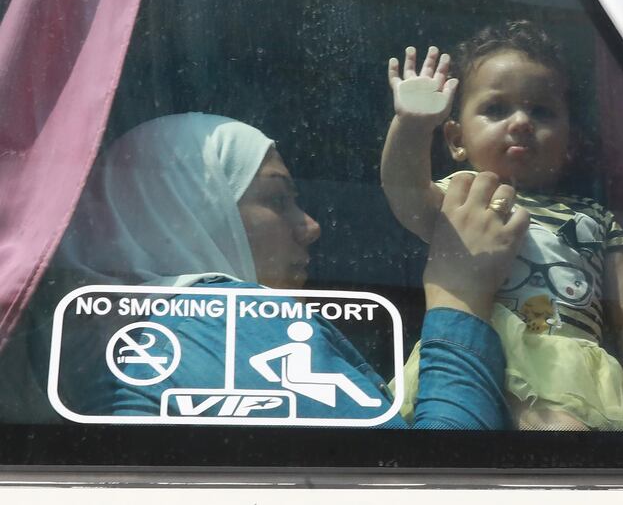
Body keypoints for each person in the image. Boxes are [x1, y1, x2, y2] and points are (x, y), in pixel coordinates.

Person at [47, 112, 526, 428]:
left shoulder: (105, 339)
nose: (312, 227)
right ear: (187, 217)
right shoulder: (221, 322)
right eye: (278, 200)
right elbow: (428, 488)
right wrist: (461, 295)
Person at [381, 21, 623, 431]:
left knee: (563, 434)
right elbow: (405, 189)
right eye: (496, 109)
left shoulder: (595, 218)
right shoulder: (463, 195)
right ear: (455, 139)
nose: (521, 121)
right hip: (479, 357)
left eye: (541, 111)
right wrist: (413, 125)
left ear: (571, 143)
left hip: (567, 379)